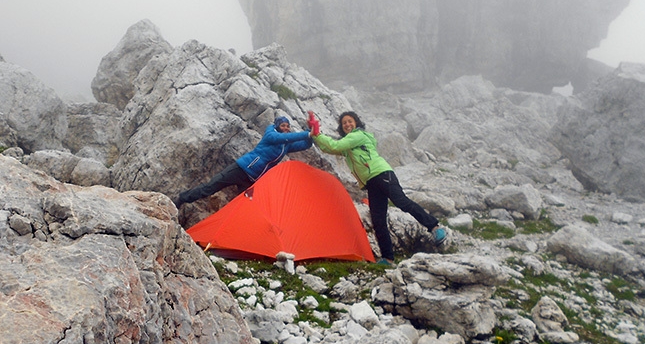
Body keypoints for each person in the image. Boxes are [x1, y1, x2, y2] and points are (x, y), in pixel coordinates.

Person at [311, 111, 447, 264]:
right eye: (344, 123)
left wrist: (317, 132)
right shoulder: (349, 144)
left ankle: (435, 227)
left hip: (382, 174)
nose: (348, 125)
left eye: (350, 121)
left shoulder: (358, 135)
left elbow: (335, 144)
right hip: (371, 182)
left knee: (401, 201)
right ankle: (387, 258)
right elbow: (329, 148)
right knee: (378, 219)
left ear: (356, 123)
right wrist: (315, 135)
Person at [174, 115, 313, 208]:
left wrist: (310, 131)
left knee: (245, 207)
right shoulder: (271, 134)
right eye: (283, 126)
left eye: (288, 126)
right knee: (211, 187)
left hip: (252, 180)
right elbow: (281, 138)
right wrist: (307, 134)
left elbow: (305, 145)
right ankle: (181, 199)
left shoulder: (286, 145)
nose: (286, 129)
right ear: (277, 126)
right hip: (241, 169)